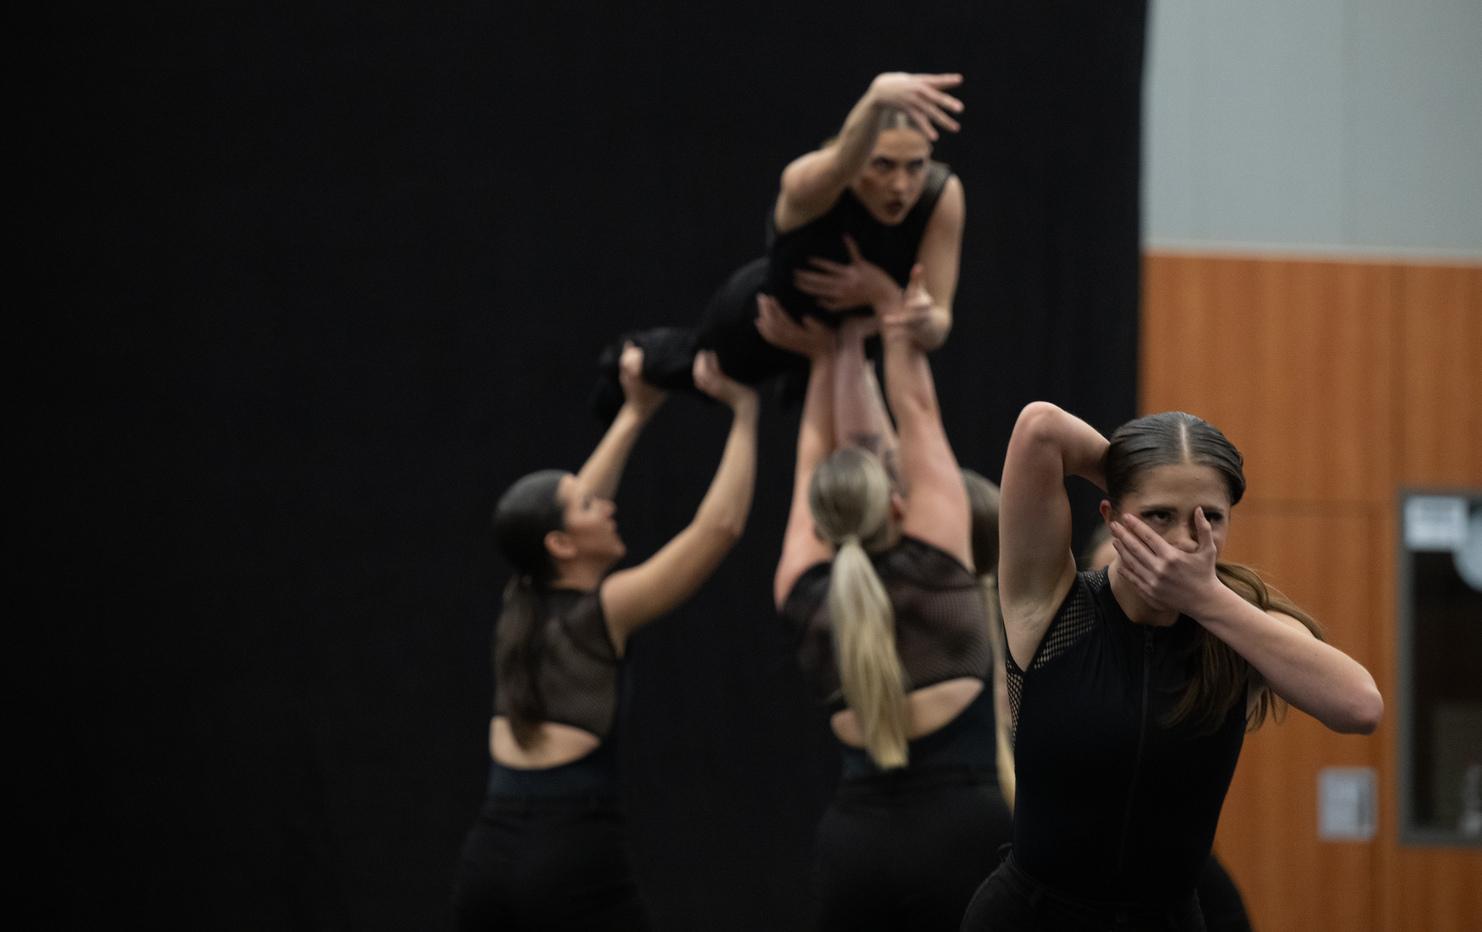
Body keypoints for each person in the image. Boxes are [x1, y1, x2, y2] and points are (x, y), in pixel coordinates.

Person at [962, 404, 1384, 930]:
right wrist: (1136, 468)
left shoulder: (1241, 623)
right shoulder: (1052, 604)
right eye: (1159, 514)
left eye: (1209, 518)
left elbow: (1360, 706)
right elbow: (1040, 428)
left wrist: (1207, 600)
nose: (1185, 540)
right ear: (1111, 516)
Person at [452, 346, 758, 931]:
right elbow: (719, 527)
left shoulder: (520, 600)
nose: (608, 508)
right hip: (568, 857)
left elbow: (557, 512)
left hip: (488, 858)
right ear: (562, 547)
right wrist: (744, 412)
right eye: (592, 508)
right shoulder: (605, 610)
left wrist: (634, 413)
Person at [760, 263, 1011, 931]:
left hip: (855, 846)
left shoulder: (803, 588)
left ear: (821, 521)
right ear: (900, 505)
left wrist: (832, 355)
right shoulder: (940, 561)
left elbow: (816, 452)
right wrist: (888, 314)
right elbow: (917, 411)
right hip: (965, 835)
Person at [592, 72, 966, 420]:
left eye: (915, 167)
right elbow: (838, 165)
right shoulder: (812, 183)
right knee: (685, 366)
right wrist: (875, 98)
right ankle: (623, 365)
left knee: (858, 469)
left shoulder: (940, 195)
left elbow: (938, 325)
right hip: (765, 321)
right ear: (856, 160)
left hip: (845, 339)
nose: (901, 186)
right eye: (883, 166)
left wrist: (914, 313)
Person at [1081, 524, 1252, 932]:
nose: (1138, 596)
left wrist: (1209, 599)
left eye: (1157, 579)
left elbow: (1360, 704)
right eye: (1120, 580)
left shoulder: (1203, 663)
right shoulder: (1065, 660)